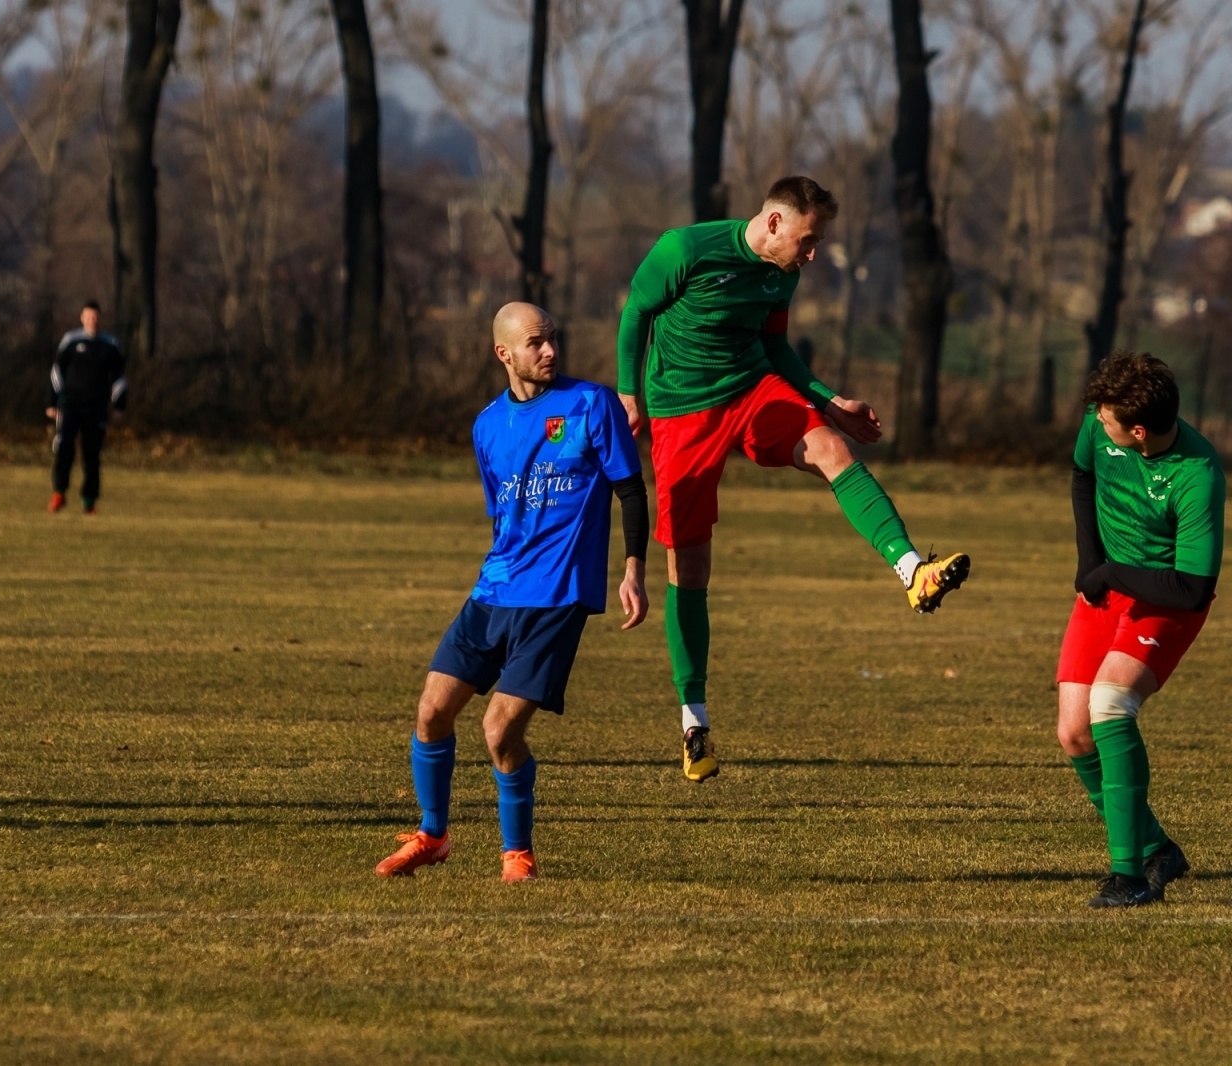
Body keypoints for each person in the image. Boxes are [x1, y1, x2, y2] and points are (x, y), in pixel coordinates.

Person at [616, 175, 970, 783]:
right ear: (775, 222)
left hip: (754, 389)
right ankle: (693, 722)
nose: (814, 253)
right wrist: (628, 393)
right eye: (809, 239)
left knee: (832, 450)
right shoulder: (685, 249)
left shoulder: (784, 273)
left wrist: (831, 402)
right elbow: (635, 315)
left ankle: (913, 571)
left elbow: (777, 351)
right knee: (688, 568)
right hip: (682, 412)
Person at [376, 302, 649, 883]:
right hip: (494, 591)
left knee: (500, 731)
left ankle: (516, 854)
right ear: (504, 354)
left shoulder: (590, 404)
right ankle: (431, 835)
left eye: (553, 339)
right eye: (535, 344)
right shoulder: (486, 426)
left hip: (557, 598)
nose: (549, 351)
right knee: (431, 711)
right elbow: (501, 514)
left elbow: (630, 491)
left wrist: (632, 569)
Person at [1056, 352, 1225, 909]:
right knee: (1075, 735)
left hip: (1167, 599)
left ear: (1138, 431)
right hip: (1108, 586)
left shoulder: (1197, 474)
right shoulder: (1099, 425)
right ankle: (1158, 848)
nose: (1095, 424)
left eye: (1105, 421)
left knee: (1110, 702)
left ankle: (1128, 877)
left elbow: (1192, 589)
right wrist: (1090, 562)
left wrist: (1113, 572)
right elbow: (1083, 475)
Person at [45, 300, 126, 514]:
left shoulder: (110, 345)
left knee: (92, 455)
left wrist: (119, 407)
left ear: (101, 318)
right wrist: (52, 402)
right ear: (82, 318)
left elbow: (119, 379)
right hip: (69, 406)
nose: (93, 320)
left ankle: (89, 501)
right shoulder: (70, 341)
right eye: (89, 316)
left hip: (96, 408)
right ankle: (59, 494)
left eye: (96, 316)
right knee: (64, 450)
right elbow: (56, 373)